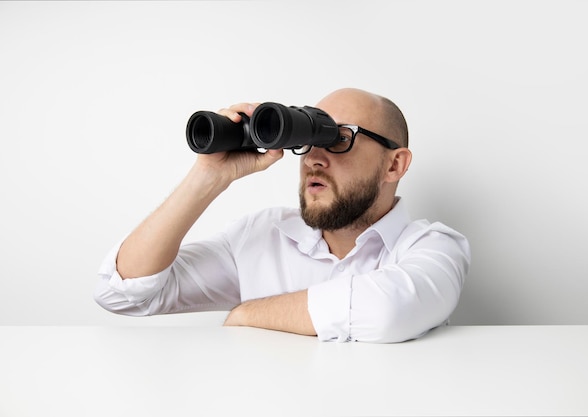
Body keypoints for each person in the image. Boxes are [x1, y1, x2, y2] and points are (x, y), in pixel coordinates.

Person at [94, 88, 470, 343]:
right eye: (310, 139)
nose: (314, 158)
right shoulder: (260, 236)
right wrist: (208, 176)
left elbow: (388, 310)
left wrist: (248, 314)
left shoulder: (434, 248)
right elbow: (123, 293)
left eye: (340, 139)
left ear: (395, 165)